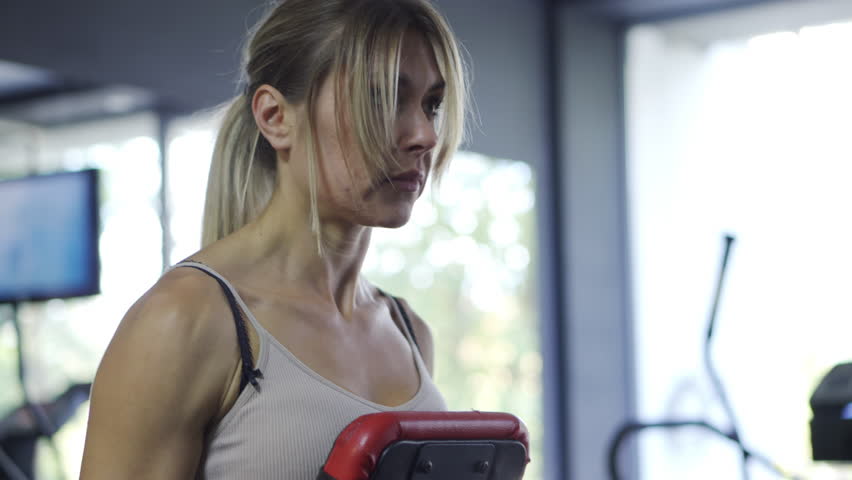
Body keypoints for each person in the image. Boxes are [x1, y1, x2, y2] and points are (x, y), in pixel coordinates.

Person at [79, 0, 468, 478]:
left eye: (432, 105)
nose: (425, 135)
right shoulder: (184, 321)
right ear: (276, 117)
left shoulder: (408, 332)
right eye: (384, 99)